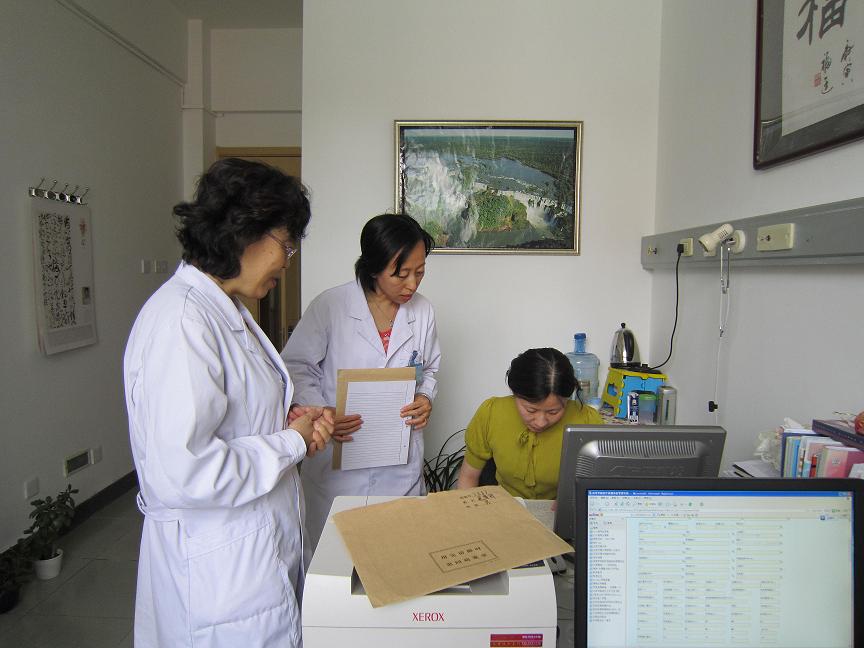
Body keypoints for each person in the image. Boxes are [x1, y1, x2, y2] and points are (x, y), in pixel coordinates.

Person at [123, 158, 333, 648]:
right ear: (246, 231)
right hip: (219, 572)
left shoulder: (225, 310)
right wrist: (290, 442)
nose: (287, 261)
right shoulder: (182, 321)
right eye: (287, 245)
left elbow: (232, 416)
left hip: (252, 550)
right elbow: (186, 470)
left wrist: (288, 422)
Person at [282, 213, 441, 550]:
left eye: (420, 272)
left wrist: (425, 397)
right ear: (373, 268)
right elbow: (296, 366)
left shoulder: (423, 311)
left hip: (399, 466)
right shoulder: (330, 305)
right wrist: (321, 411)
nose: (412, 285)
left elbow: (429, 369)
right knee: (334, 561)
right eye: (401, 274)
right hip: (338, 464)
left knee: (399, 554)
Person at [457, 347, 603, 499]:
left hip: (561, 509)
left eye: (553, 412)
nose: (541, 422)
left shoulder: (587, 421)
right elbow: (468, 478)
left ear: (567, 399)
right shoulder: (491, 413)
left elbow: (601, 486)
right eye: (531, 410)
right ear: (515, 393)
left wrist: (572, 500)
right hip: (504, 505)